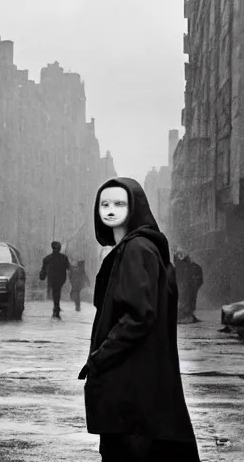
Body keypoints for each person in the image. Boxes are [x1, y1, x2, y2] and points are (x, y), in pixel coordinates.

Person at [79, 177, 199, 461]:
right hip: (138, 394)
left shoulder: (136, 250)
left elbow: (138, 316)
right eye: (104, 203)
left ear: (134, 208)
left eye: (119, 203)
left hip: (131, 396)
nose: (110, 210)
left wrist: (99, 358)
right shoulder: (136, 249)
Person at [39, 241, 71, 319]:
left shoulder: (47, 258)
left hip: (52, 279)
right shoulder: (64, 257)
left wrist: (42, 276)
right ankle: (56, 308)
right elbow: (69, 267)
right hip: (60, 279)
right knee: (57, 292)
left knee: (55, 292)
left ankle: (56, 308)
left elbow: (43, 269)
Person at [174, 249, 204, 324]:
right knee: (188, 299)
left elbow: (199, 280)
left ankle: (186, 314)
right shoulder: (185, 267)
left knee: (187, 298)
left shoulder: (182, 267)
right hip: (188, 286)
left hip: (189, 286)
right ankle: (186, 314)